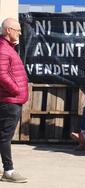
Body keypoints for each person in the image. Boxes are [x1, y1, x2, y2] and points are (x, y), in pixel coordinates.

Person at [0, 18, 28, 183]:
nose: (20, 33)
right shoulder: (3, 49)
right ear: (8, 30)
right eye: (17, 30)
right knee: (5, 137)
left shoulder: (8, 48)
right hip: (10, 100)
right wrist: (16, 89)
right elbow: (1, 74)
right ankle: (9, 171)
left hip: (11, 99)